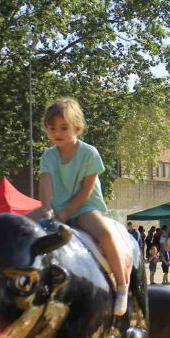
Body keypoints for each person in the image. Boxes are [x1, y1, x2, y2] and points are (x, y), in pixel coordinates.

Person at [25, 98, 134, 315]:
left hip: (84, 206)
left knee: (104, 232)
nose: (57, 132)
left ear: (78, 127)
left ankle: (121, 284)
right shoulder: (48, 156)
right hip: (56, 207)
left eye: (64, 127)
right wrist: (46, 208)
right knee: (19, 223)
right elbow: (45, 182)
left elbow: (86, 190)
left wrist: (66, 213)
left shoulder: (89, 153)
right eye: (52, 128)